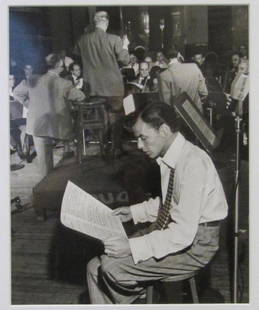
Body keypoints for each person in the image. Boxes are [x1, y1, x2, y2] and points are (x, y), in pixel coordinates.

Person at [87, 102, 228, 304]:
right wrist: (135, 212)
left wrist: (133, 248)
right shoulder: (171, 156)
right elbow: (170, 202)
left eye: (144, 138)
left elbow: (182, 234)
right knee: (94, 266)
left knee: (111, 268)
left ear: (163, 130)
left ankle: (143, 300)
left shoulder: (193, 163)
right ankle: (139, 296)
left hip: (197, 244)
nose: (139, 146)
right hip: (173, 229)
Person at [13, 53, 85, 179]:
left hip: (38, 124)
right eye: (63, 66)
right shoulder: (64, 83)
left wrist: (30, 105)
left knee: (44, 165)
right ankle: (68, 181)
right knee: (70, 154)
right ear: (57, 66)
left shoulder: (32, 80)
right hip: (59, 125)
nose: (64, 69)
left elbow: (16, 92)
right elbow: (80, 96)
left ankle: (47, 185)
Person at [73, 11, 130, 158]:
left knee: (100, 119)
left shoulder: (82, 40)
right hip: (113, 87)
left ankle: (102, 148)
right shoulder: (115, 39)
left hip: (92, 88)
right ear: (107, 22)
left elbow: (76, 56)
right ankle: (116, 148)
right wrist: (125, 46)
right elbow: (125, 60)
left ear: (94, 22)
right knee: (115, 118)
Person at [158, 46, 208, 113]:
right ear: (179, 55)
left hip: (178, 116)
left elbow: (166, 104)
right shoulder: (194, 67)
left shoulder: (164, 75)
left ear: (163, 58)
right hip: (197, 114)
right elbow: (204, 93)